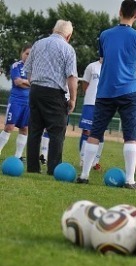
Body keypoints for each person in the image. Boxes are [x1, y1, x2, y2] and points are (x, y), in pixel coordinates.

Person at [77, 0, 136, 190]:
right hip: (129, 91)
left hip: (105, 91)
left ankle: (84, 176)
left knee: (95, 133)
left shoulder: (105, 35)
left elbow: (103, 58)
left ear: (119, 12)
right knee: (130, 136)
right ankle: (130, 181)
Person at [24, 20, 78, 175]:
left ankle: (33, 168)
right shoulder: (67, 49)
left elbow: (28, 70)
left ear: (54, 30)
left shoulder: (38, 44)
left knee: (34, 130)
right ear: (68, 36)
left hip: (35, 90)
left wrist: (34, 84)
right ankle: (53, 169)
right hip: (54, 93)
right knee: (56, 132)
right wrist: (73, 98)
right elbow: (72, 76)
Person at [0, 45, 31, 160]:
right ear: (22, 53)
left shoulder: (34, 68)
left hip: (29, 103)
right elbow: (17, 82)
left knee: (24, 128)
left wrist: (25, 82)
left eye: (30, 54)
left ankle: (17, 156)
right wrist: (29, 82)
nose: (28, 56)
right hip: (16, 101)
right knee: (9, 127)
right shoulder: (16, 66)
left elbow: (36, 82)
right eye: (27, 53)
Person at [79, 58, 103, 170]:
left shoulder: (113, 66)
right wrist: (90, 95)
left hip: (104, 104)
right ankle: (83, 159)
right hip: (90, 103)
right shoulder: (91, 66)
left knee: (100, 132)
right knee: (87, 130)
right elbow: (85, 84)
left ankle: (95, 162)